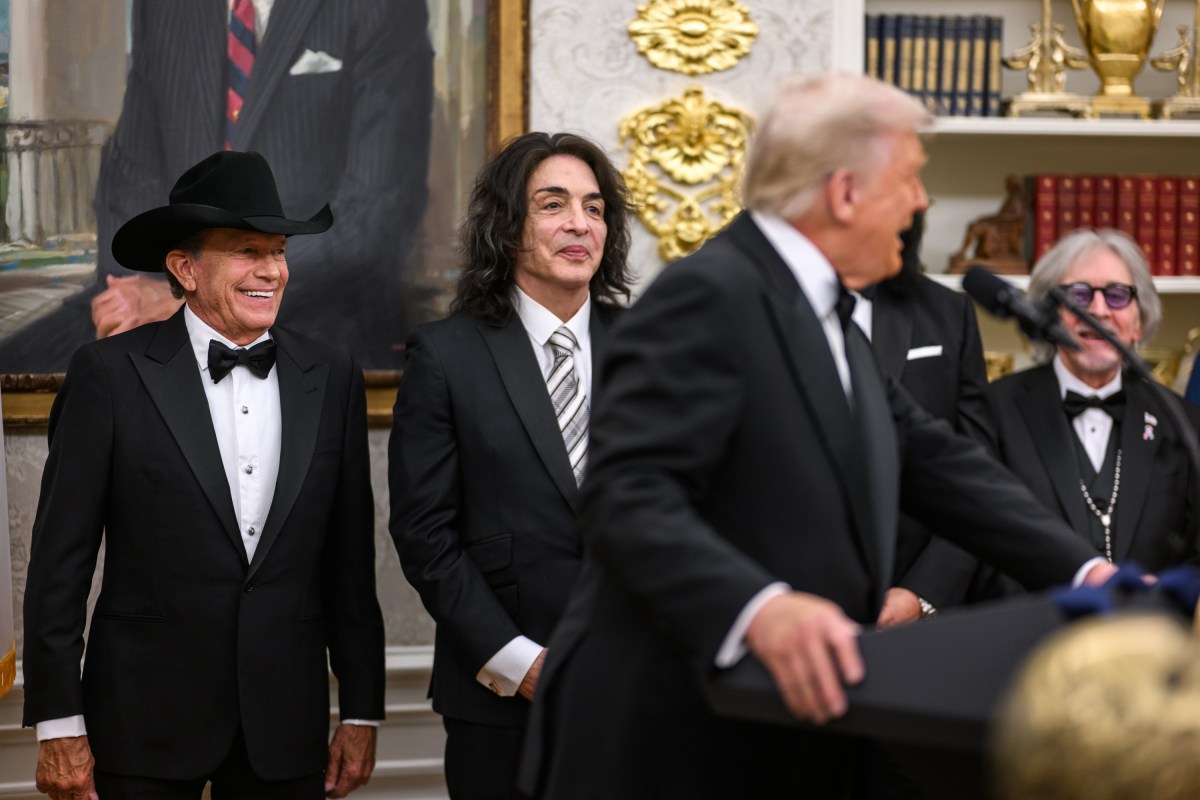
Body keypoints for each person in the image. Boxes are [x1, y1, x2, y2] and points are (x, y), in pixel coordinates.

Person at [519, 73, 1116, 799]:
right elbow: (627, 500)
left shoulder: (817, 304)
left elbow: (935, 458)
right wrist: (762, 607)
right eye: (909, 179)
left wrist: (1091, 574)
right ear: (843, 192)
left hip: (786, 725)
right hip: (668, 740)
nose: (922, 202)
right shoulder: (709, 294)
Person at [22, 150, 385, 800]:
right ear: (184, 268)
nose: (272, 270)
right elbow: (59, 568)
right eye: (248, 251)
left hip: (286, 727)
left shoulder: (330, 377)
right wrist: (58, 722)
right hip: (140, 725)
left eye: (278, 251)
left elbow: (350, 567)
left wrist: (361, 710)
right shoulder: (108, 376)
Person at [388, 132, 633, 799]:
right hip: (502, 702)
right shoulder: (446, 355)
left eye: (594, 206)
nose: (579, 223)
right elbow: (425, 538)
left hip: (646, 693)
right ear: (507, 226)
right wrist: (522, 665)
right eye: (553, 204)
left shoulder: (653, 348)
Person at [0, 0, 432, 372]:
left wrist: (194, 298)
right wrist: (138, 294)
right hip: (165, 296)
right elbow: (129, 178)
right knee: (19, 364)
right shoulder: (168, 7)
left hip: (313, 311)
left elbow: (376, 220)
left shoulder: (381, 6)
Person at [971, 229, 1200, 593]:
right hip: (1028, 639)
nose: (1097, 310)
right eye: (1078, 295)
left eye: (1117, 295)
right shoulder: (992, 411)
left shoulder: (1184, 423)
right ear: (1044, 316)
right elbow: (974, 542)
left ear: (1139, 321)